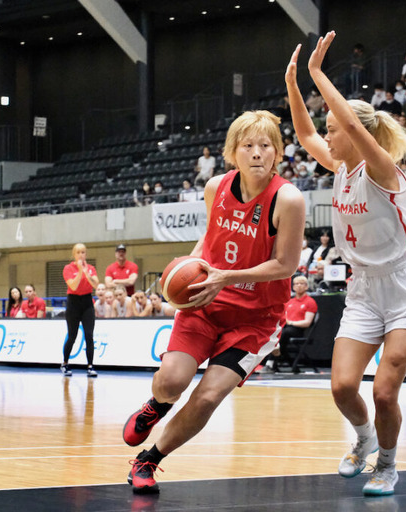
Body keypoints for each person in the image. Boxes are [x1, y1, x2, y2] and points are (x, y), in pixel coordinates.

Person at [286, 33, 406, 496]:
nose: (328, 134)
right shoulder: (341, 169)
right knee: (341, 387)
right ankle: (365, 438)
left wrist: (318, 74)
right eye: (330, 129)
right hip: (363, 289)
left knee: (384, 391)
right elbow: (304, 134)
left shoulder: (382, 170)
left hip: (405, 287)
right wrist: (293, 84)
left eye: (334, 128)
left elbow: (350, 127)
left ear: (356, 133)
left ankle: (388, 464)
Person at [123, 108, 306, 494]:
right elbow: (210, 242)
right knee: (172, 382)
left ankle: (148, 460)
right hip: (206, 302)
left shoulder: (288, 199)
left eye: (266, 146)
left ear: (278, 152)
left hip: (256, 320)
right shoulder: (215, 187)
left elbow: (286, 265)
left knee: (207, 396)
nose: (258, 153)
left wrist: (228, 277)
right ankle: (156, 405)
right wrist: (187, 276)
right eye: (248, 146)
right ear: (232, 153)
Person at [263, 275, 318, 373]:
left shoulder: (310, 302)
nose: (299, 286)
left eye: (302, 284)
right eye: (296, 284)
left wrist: (291, 322)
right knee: (274, 332)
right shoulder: (289, 301)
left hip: (298, 330)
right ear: (293, 287)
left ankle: (271, 361)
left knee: (284, 333)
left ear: (306, 286)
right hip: (286, 327)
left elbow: (307, 323)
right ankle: (276, 356)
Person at [61, 243, 99, 378]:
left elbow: (95, 284)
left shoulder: (91, 269)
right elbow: (73, 285)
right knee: (72, 335)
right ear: (74, 254)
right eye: (78, 252)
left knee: (89, 335)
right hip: (73, 303)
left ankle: (90, 366)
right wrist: (80, 272)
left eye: (83, 252)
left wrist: (86, 272)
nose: (81, 255)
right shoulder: (68, 268)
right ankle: (65, 363)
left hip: (87, 303)